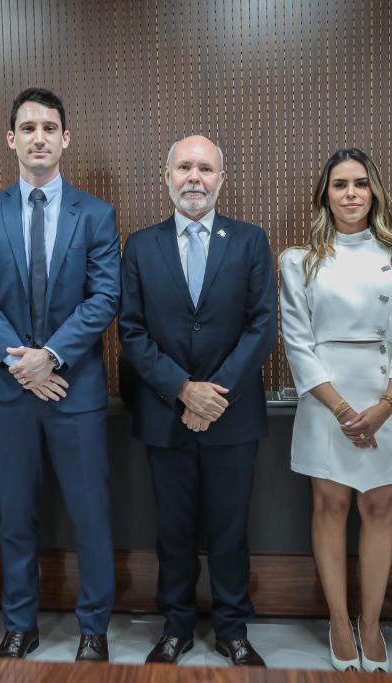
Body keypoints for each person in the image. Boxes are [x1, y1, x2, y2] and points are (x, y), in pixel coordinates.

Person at [0, 88, 119, 662]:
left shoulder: (95, 214)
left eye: (49, 128)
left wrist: (49, 356)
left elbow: (104, 298)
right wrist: (20, 364)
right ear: (12, 139)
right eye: (28, 128)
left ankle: (93, 629)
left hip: (74, 389)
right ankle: (19, 626)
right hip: (11, 392)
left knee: (90, 515)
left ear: (65, 139)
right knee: (15, 517)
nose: (39, 138)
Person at [118, 135, 275, 667]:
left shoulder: (250, 241)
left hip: (233, 414)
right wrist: (184, 389)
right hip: (166, 411)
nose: (194, 178)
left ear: (221, 180)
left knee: (231, 529)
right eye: (184, 167)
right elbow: (131, 330)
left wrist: (213, 395)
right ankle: (176, 626)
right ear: (166, 176)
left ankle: (233, 629)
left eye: (205, 169)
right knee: (173, 530)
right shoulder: (141, 246)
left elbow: (261, 326)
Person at [279, 148, 392, 672]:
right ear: (326, 193)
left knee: (381, 508)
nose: (350, 194)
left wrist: (385, 407)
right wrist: (344, 410)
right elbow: (297, 343)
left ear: (374, 192)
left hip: (387, 395)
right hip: (326, 398)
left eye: (360, 183)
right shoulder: (298, 261)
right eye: (339, 184)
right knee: (330, 506)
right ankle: (340, 622)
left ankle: (371, 622)